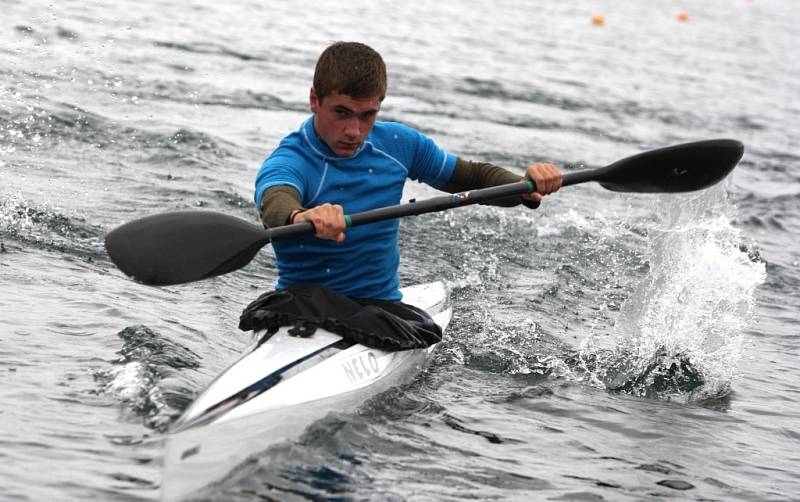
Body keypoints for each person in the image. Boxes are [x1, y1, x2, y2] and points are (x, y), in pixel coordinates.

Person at [254, 41, 562, 303]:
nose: (353, 130)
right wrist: (301, 217)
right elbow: (276, 199)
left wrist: (523, 186)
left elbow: (474, 178)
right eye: (341, 112)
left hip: (378, 308)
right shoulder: (291, 159)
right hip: (300, 305)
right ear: (314, 101)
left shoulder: (399, 144)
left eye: (367, 115)